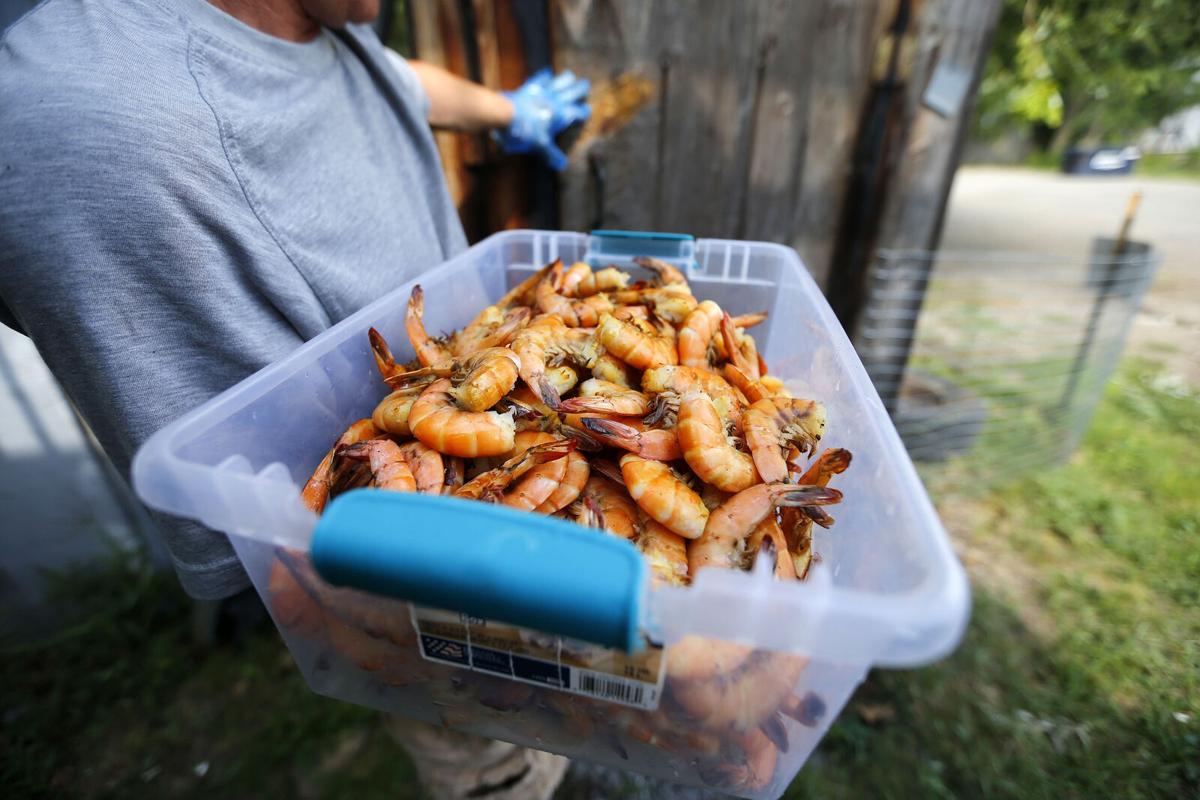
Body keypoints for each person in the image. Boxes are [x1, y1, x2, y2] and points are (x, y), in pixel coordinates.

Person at [0, 0, 588, 797]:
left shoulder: (314, 19)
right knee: (498, 745)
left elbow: (382, 83)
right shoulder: (84, 122)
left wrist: (503, 110)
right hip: (419, 597)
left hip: (482, 428)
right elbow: (289, 567)